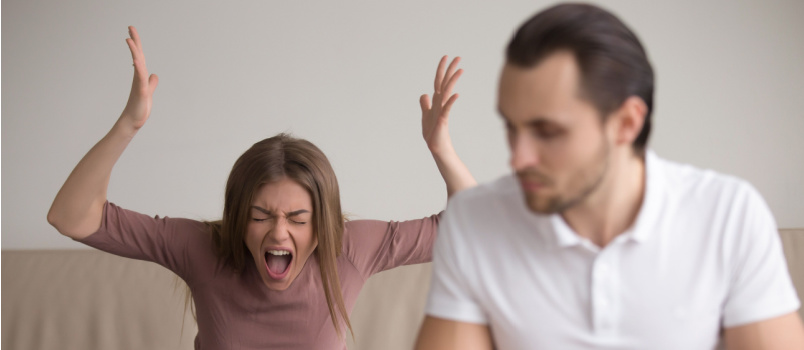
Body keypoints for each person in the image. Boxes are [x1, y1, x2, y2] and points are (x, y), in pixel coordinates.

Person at [46, 26, 476, 349]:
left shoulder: (350, 249)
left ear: (321, 223)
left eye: (298, 218)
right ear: (238, 216)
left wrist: (442, 151)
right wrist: (128, 125)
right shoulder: (202, 248)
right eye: (260, 215)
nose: (278, 232)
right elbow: (71, 216)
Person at [415, 3, 804, 349]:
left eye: (548, 132)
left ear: (626, 123)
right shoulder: (474, 222)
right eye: (511, 127)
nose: (517, 158)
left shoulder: (729, 215)